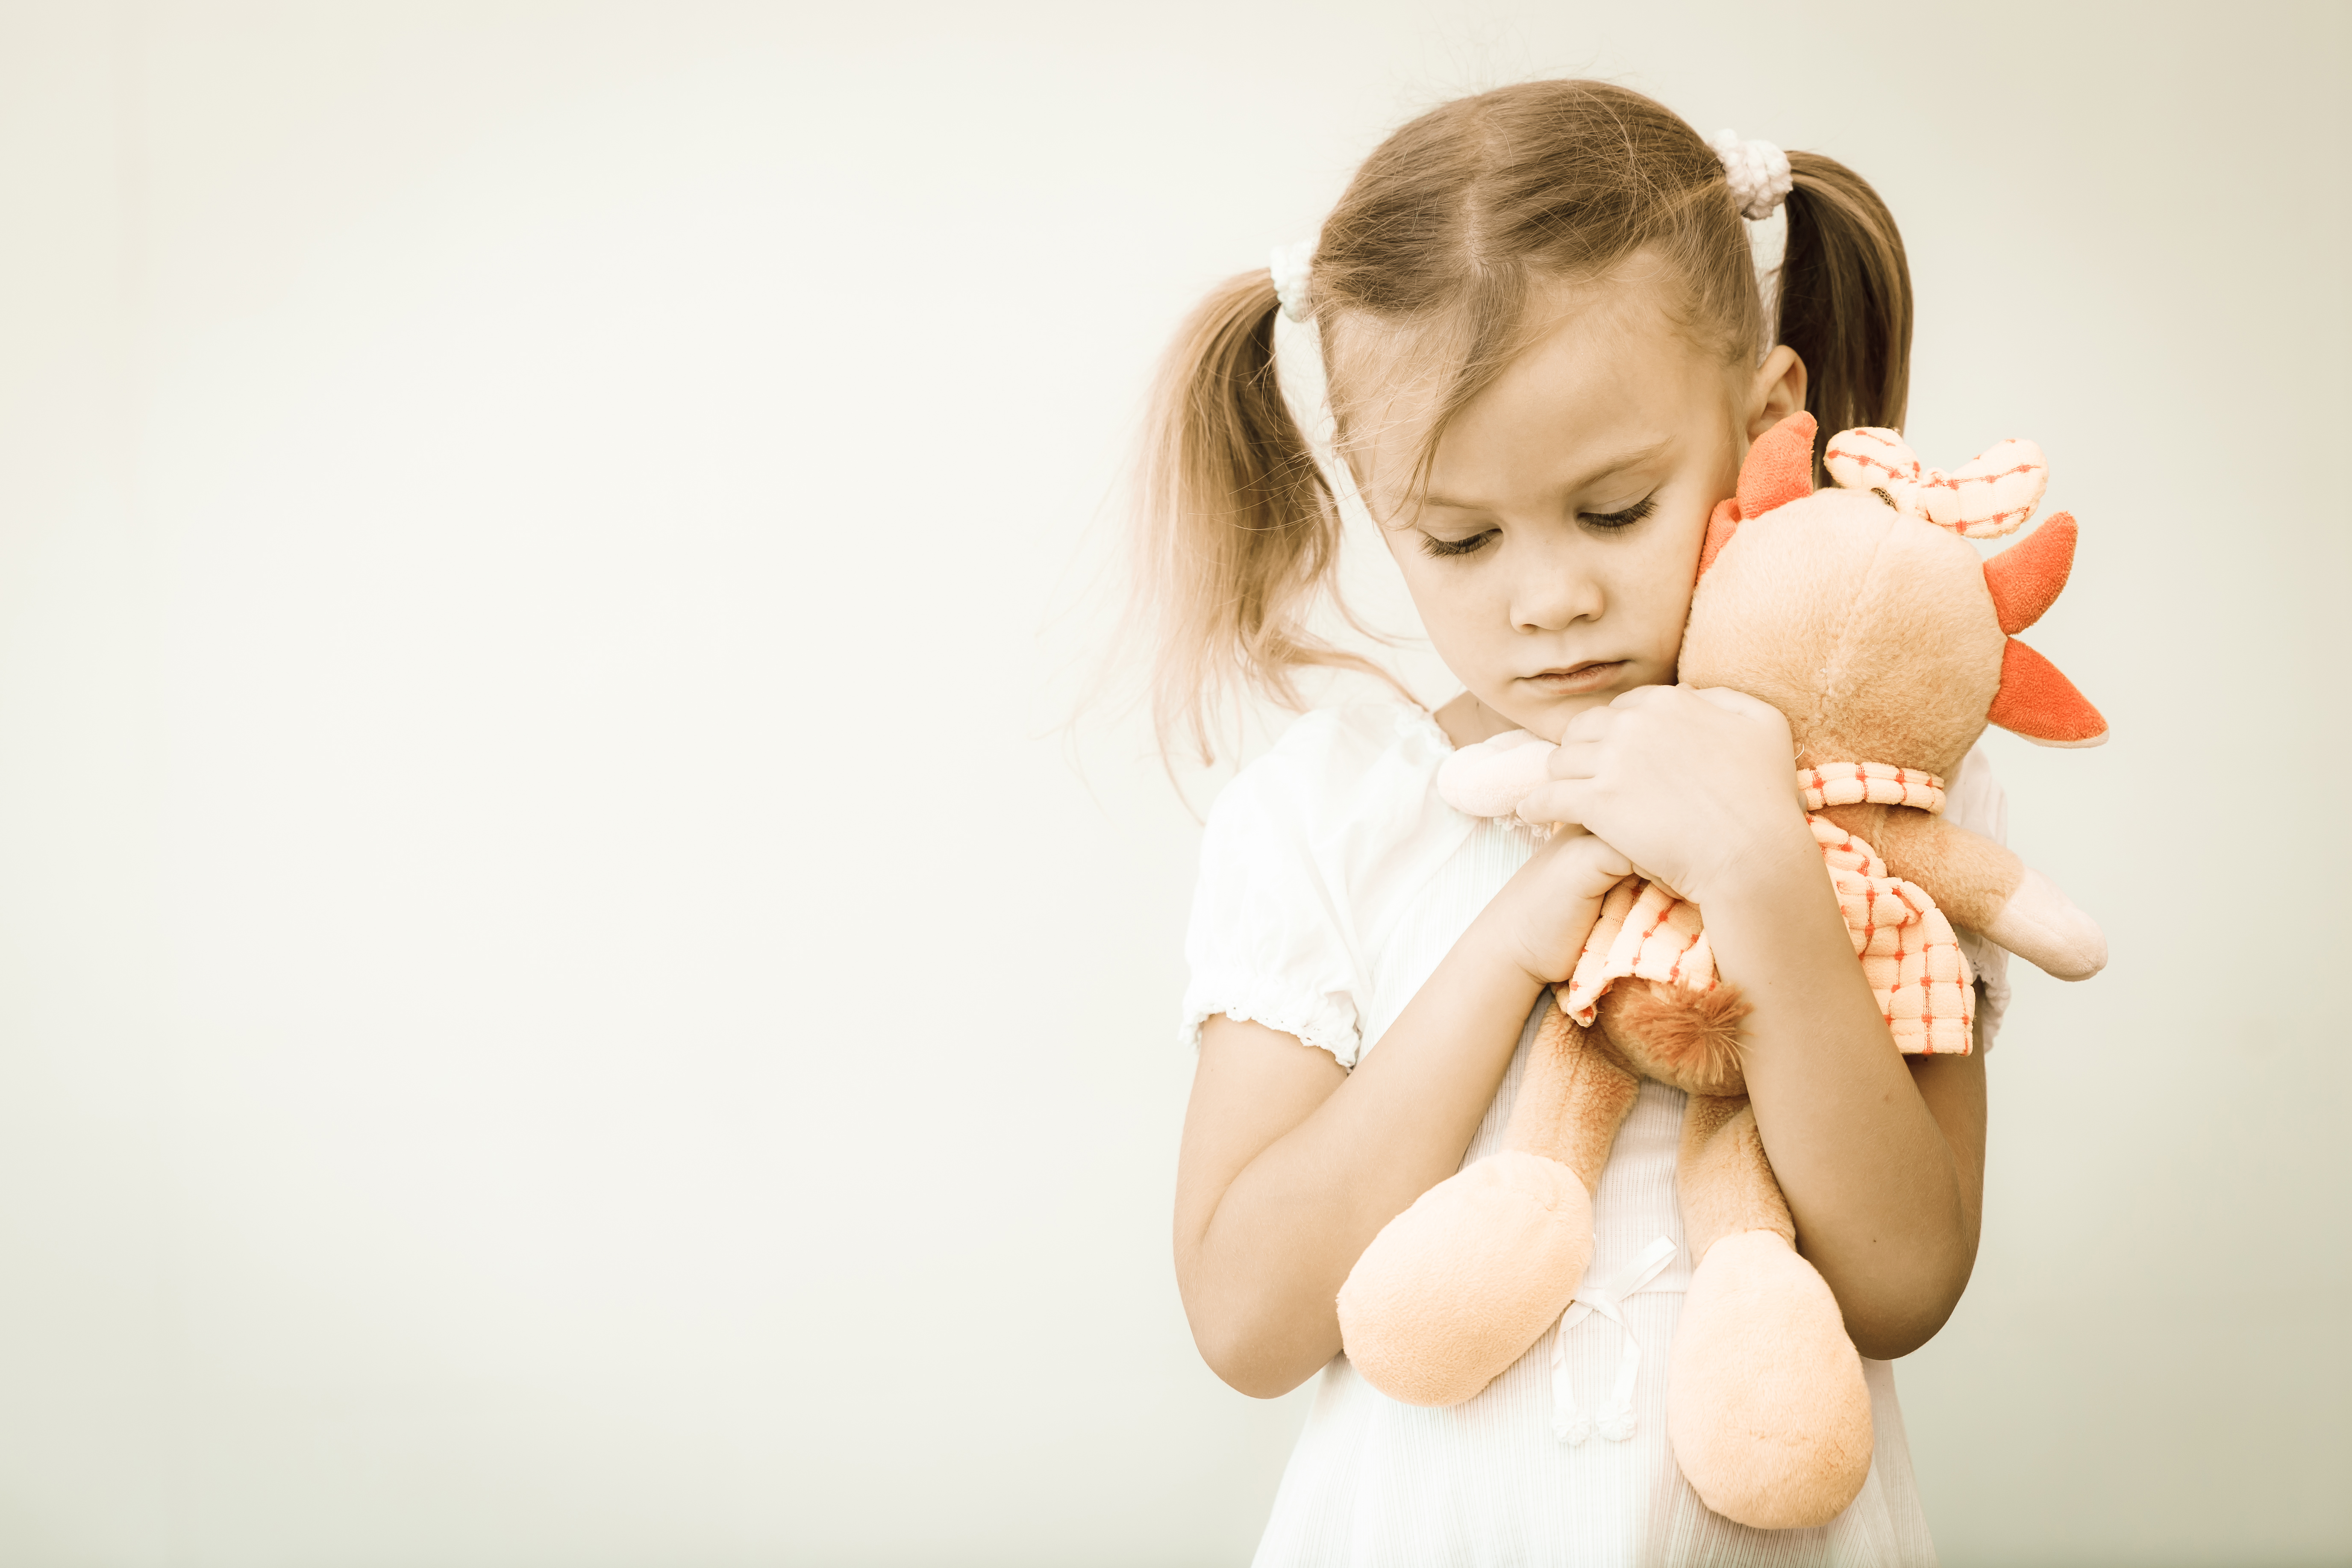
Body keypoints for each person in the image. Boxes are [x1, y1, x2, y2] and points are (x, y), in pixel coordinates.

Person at [1138, 80, 2013, 1565]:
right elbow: (1248, 1316)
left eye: (1614, 510)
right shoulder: (1327, 815)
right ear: (1377, 497)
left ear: (1767, 422)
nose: (1547, 598)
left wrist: (1766, 881)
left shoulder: (1882, 785)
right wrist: (1505, 946)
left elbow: (1905, 1283)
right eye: (1462, 539)